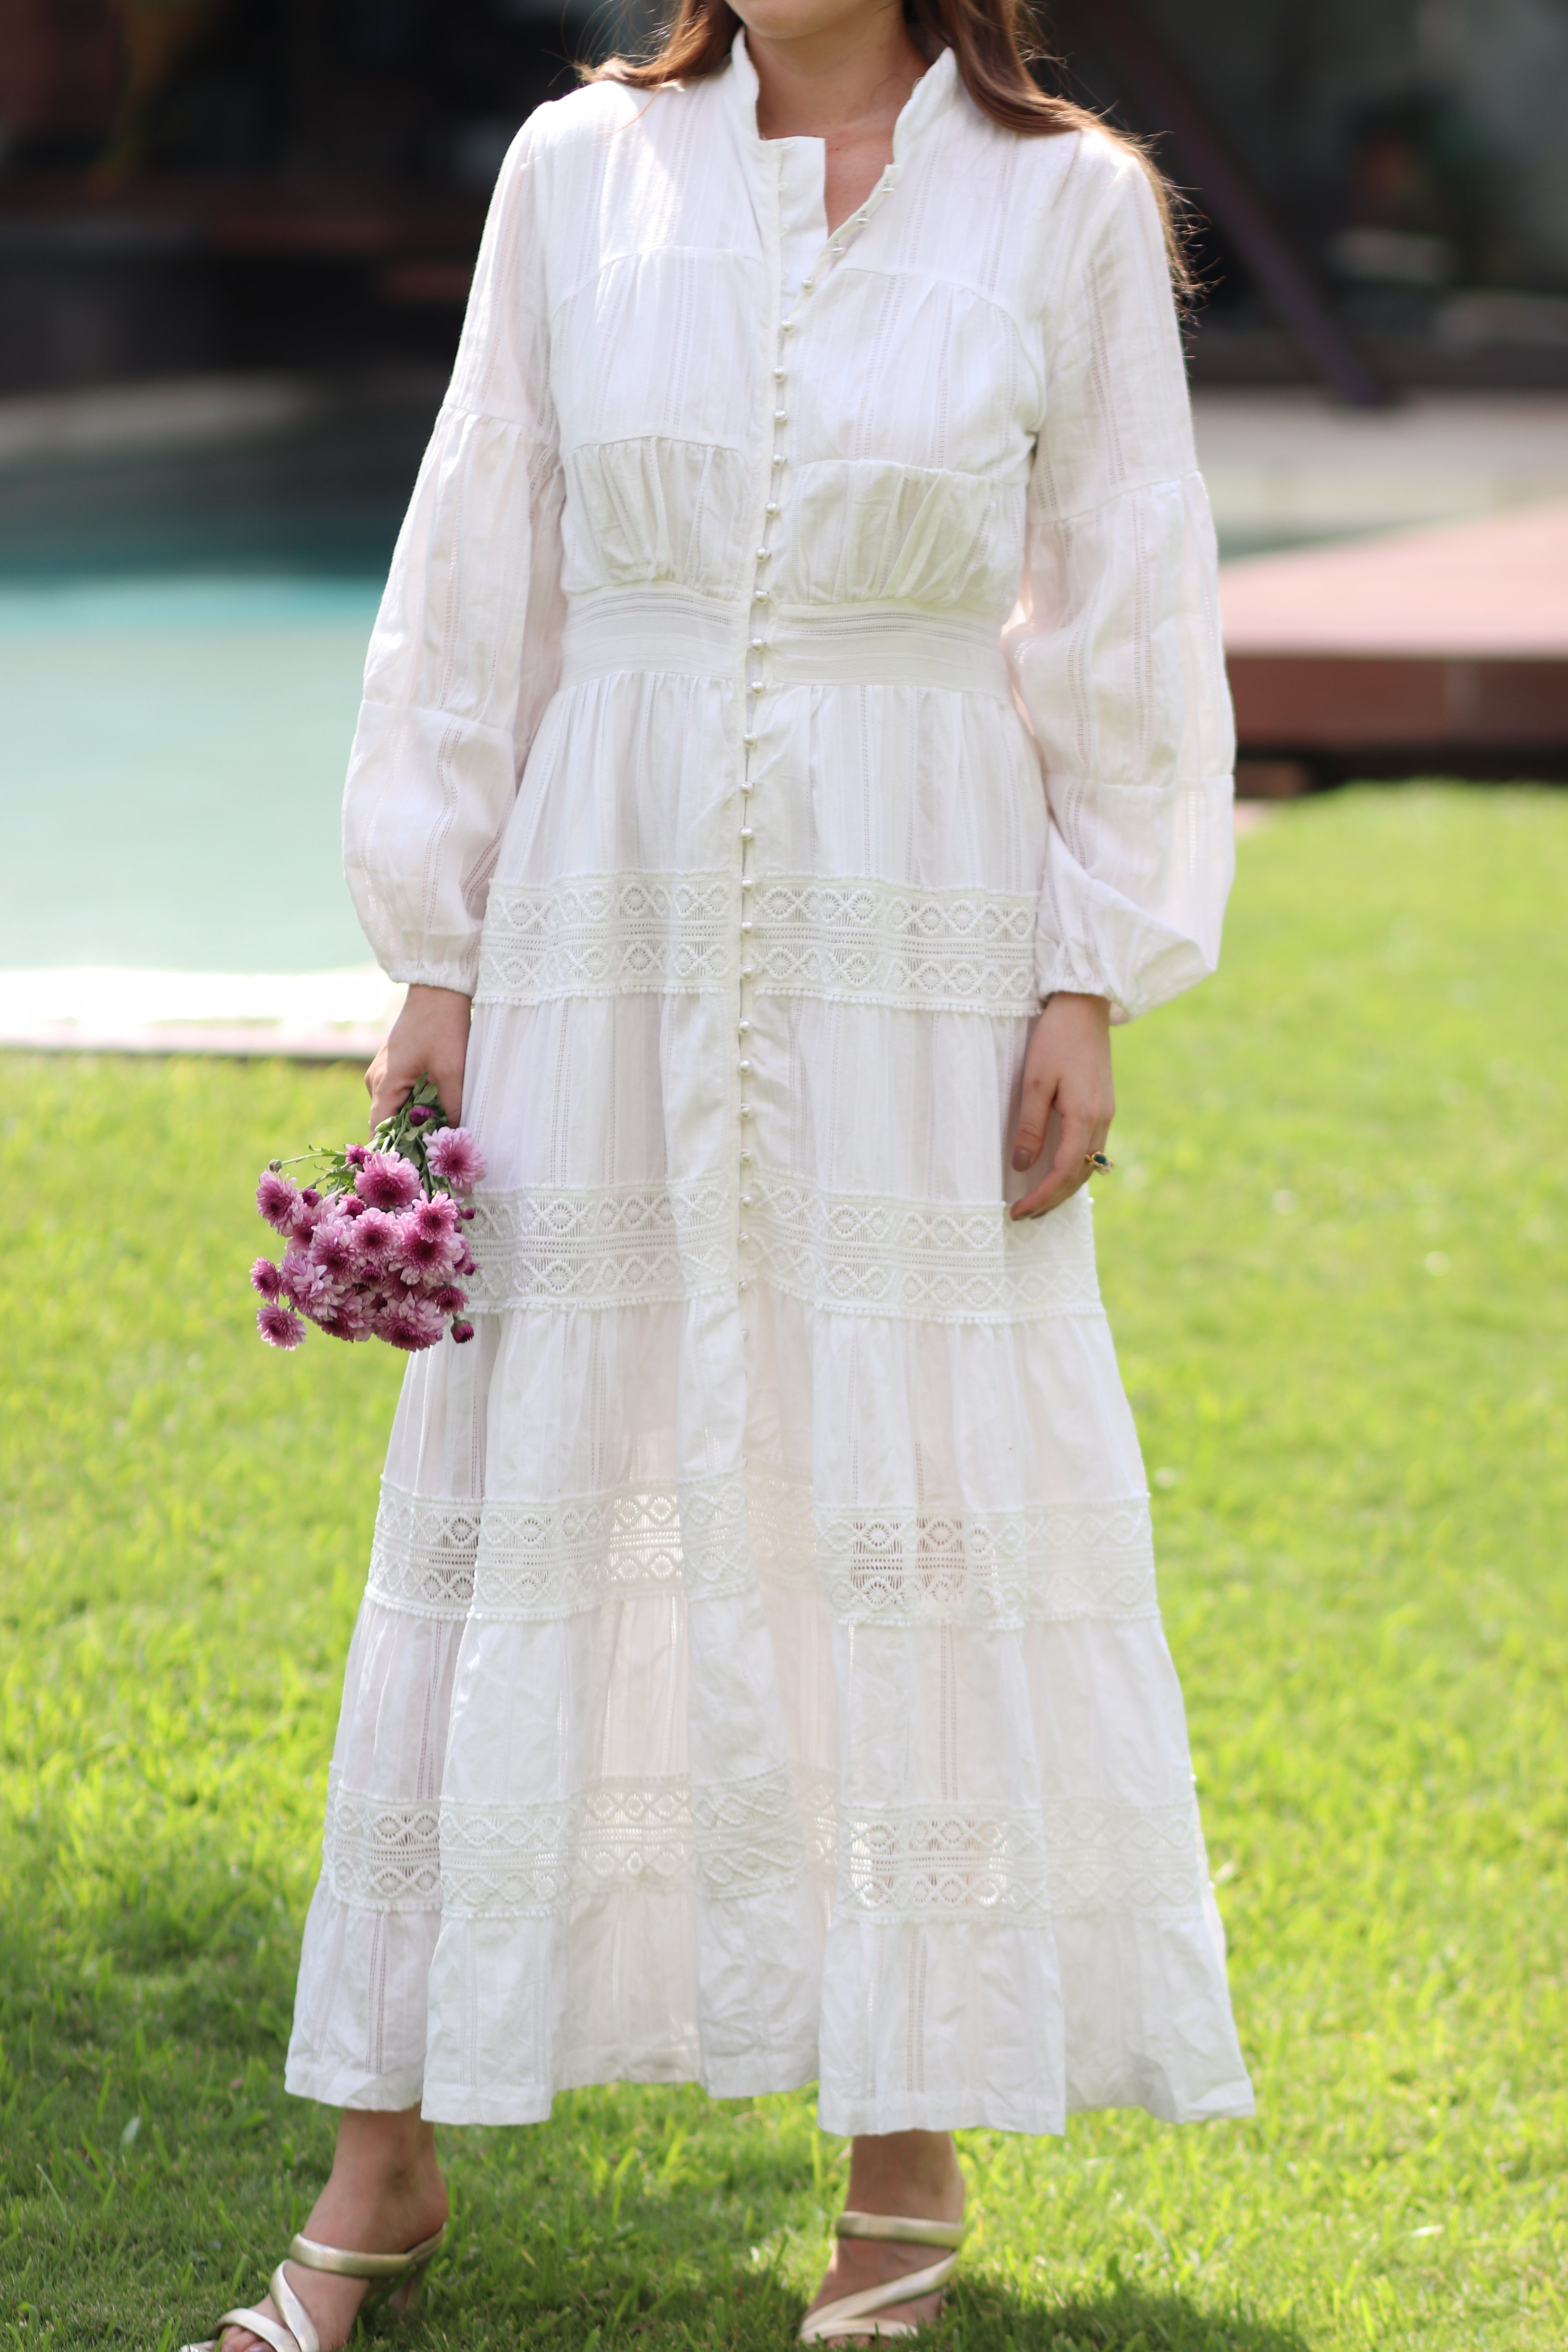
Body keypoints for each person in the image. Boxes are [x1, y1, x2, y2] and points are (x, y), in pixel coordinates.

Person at [197, 0, 1252, 2341]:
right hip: (607, 897)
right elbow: (486, 550)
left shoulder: (1066, 203)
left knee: (900, 1492)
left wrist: (1091, 970)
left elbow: (1125, 588)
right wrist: (440, 941)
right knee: (526, 1475)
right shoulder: (578, 169)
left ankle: (904, 2179)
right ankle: (383, 2166)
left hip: (925, 917)